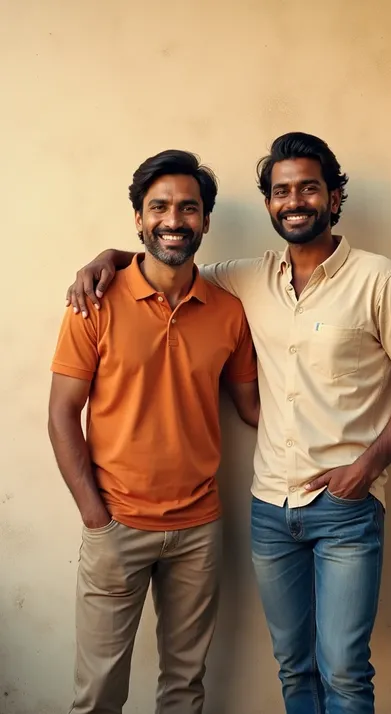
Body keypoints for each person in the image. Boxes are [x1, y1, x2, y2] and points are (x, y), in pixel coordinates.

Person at [64, 132, 391, 714]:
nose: (295, 201)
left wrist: (367, 465)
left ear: (335, 198)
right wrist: (107, 259)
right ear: (268, 203)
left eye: (309, 188)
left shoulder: (376, 279)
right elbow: (167, 260)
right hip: (267, 508)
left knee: (342, 670)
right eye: (282, 190)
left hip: (339, 507)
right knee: (292, 670)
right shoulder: (246, 278)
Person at [48, 149, 259, 714]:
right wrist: (95, 514)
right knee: (98, 696)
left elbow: (254, 408)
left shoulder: (228, 311)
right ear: (139, 219)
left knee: (184, 690)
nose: (173, 220)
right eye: (158, 207)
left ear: (205, 221)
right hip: (116, 523)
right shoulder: (94, 302)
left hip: (199, 530)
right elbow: (63, 413)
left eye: (188, 208)